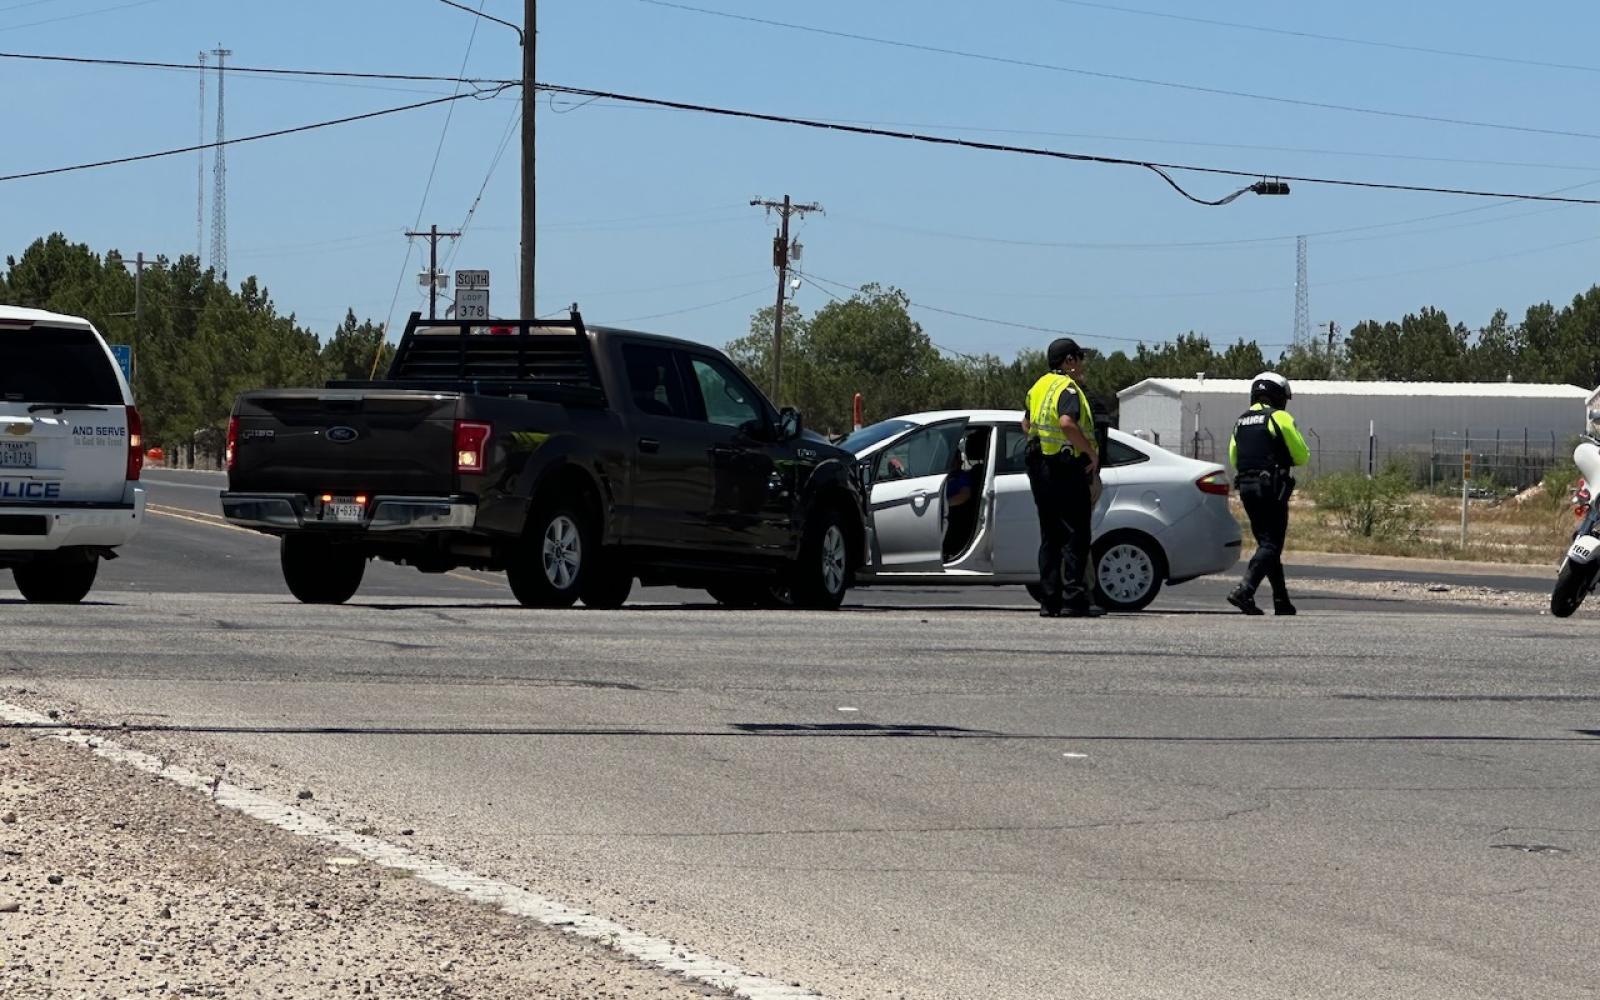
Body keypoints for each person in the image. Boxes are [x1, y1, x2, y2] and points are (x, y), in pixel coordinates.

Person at [1022, 338, 1103, 618]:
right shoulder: (1068, 388)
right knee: (1076, 534)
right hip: (1064, 465)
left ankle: (1049, 600)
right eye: (1079, 358)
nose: (1082, 365)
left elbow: (1026, 423)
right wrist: (1090, 453)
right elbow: (1067, 423)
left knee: (1050, 535)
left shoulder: (1039, 386)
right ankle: (1073, 599)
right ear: (1068, 361)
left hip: (1038, 464)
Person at [1227, 371, 1311, 616]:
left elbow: (1234, 457)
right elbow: (1301, 455)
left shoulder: (1240, 421)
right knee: (1272, 544)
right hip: (1271, 489)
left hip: (1246, 489)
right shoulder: (1279, 417)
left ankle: (1281, 601)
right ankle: (1245, 590)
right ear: (1277, 396)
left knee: (1267, 544)